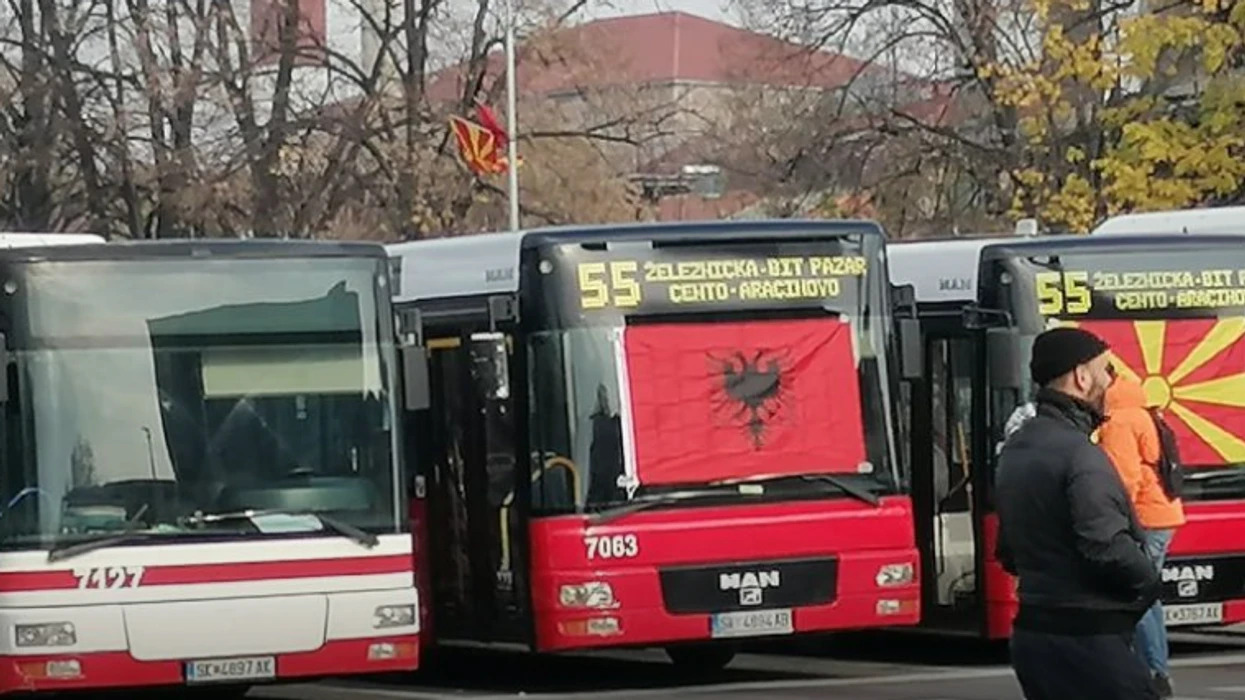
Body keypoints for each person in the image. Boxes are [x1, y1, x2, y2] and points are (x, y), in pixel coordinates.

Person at [994, 327, 1160, 700]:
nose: (1111, 381)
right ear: (1082, 377)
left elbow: (1008, 550)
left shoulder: (1017, 449)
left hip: (1035, 633)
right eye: (1107, 370)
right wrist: (1148, 581)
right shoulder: (1079, 455)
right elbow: (1105, 545)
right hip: (1089, 638)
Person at [1098, 376, 1186, 698]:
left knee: (1137, 594)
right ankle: (1154, 668)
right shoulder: (1141, 411)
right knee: (1147, 596)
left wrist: (1115, 520)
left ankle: (1152, 671)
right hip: (1162, 514)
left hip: (1145, 518)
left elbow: (1125, 479)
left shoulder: (1119, 420)